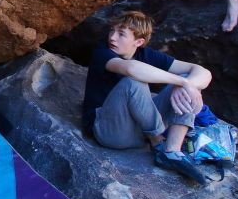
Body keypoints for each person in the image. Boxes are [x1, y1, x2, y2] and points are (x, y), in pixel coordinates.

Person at [82, 11, 212, 184]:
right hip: (109, 131)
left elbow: (202, 72)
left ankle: (172, 151)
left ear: (139, 42)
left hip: (140, 131)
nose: (112, 37)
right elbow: (131, 69)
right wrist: (182, 81)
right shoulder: (102, 52)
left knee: (188, 84)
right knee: (134, 82)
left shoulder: (146, 54)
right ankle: (158, 143)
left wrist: (186, 84)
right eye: (112, 31)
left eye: (121, 34)